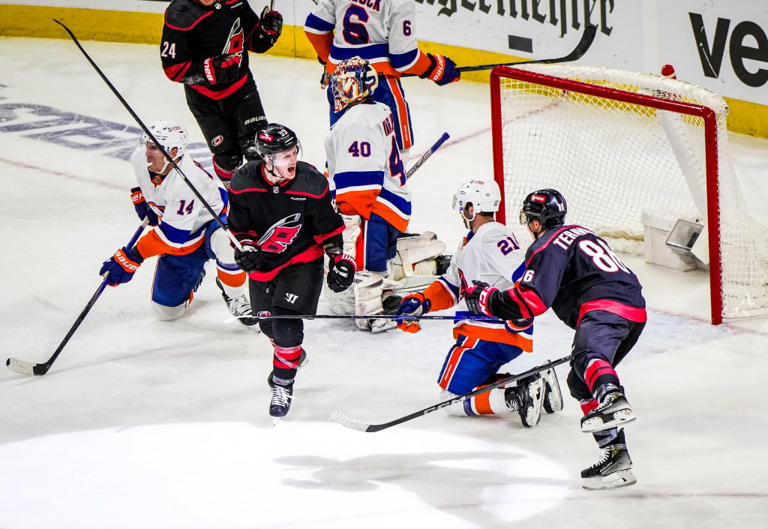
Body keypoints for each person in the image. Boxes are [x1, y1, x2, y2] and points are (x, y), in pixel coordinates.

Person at [463, 188, 647, 490]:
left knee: (588, 356)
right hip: (633, 310)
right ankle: (616, 457)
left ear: (536, 222)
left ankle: (612, 398)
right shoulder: (580, 233)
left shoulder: (546, 245)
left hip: (604, 307)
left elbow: (532, 299)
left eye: (528, 220)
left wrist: (488, 299)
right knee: (579, 380)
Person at [395, 179, 563, 427]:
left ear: (472, 209)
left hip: (488, 333)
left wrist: (520, 310)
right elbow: (452, 286)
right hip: (489, 333)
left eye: (464, 207)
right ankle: (533, 383)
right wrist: (421, 303)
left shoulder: (491, 235)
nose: (462, 213)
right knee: (473, 386)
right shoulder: (470, 242)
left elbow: (522, 271)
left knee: (451, 399)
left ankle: (516, 396)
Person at [226, 123, 356, 420]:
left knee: (286, 327)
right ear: (267, 159)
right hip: (264, 263)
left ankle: (283, 384)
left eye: (294, 151)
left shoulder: (311, 182)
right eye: (285, 155)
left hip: (302, 259)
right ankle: (291, 355)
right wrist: (245, 249)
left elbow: (330, 231)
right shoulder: (243, 181)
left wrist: (339, 260)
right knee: (267, 325)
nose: (293, 159)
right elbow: (239, 228)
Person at [323, 57, 447, 332]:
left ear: (360, 86)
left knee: (366, 263)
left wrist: (348, 218)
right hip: (392, 204)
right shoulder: (378, 110)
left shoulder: (355, 123)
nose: (338, 90)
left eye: (345, 84)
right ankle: (386, 296)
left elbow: (361, 181)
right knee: (381, 259)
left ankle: (373, 314)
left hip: (372, 207)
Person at [99, 120, 258, 326]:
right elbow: (140, 179)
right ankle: (194, 273)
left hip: (212, 225)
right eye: (147, 145)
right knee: (166, 312)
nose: (147, 152)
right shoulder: (141, 157)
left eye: (154, 148)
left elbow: (171, 238)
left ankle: (234, 294)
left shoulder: (186, 182)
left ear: (173, 152)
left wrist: (133, 257)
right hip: (184, 235)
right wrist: (143, 198)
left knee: (227, 242)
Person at [304, 0, 461, 154]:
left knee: (342, 150)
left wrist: (332, 61)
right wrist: (435, 67)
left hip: (340, 83)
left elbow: (315, 27)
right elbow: (404, 59)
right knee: (395, 153)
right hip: (378, 85)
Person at [160, 0, 283, 186]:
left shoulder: (235, 2)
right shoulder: (180, 14)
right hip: (204, 100)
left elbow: (252, 40)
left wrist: (265, 33)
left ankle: (267, 199)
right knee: (228, 159)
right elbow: (173, 68)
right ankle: (238, 196)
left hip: (242, 91)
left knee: (258, 150)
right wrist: (207, 71)